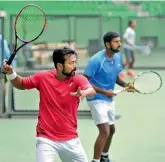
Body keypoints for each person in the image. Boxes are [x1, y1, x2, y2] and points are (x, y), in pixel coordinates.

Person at [1, 47, 96, 162]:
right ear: (60, 66)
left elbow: (91, 91)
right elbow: (21, 84)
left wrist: (84, 93)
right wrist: (11, 73)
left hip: (70, 139)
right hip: (46, 138)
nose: (75, 66)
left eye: (75, 62)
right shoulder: (43, 77)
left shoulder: (78, 79)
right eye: (71, 63)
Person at [84, 32, 134, 162]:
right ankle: (96, 160)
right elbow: (84, 82)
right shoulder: (96, 60)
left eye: (119, 41)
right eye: (116, 42)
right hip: (96, 98)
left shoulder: (117, 57)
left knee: (111, 129)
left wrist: (126, 84)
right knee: (105, 131)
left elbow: (116, 77)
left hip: (109, 99)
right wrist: (104, 92)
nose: (120, 44)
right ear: (107, 44)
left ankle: (104, 156)